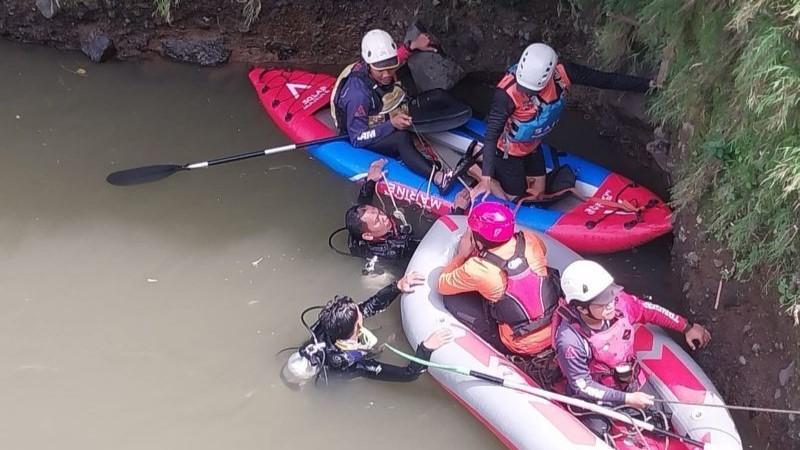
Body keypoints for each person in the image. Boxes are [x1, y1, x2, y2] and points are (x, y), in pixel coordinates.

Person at [471, 43, 656, 201]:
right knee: (516, 197)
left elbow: (605, 80)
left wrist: (646, 85)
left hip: (532, 146)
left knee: (538, 194)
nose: (524, 92)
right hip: (506, 152)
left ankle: (490, 168)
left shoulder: (563, 73)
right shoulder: (506, 95)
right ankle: (478, 169)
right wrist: (487, 177)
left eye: (530, 90)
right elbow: (491, 135)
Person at [553, 260, 712, 438]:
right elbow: (582, 385)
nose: (611, 304)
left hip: (629, 379)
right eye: (602, 303)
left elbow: (650, 310)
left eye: (611, 297)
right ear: (582, 308)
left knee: (662, 420)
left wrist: (687, 327)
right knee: (598, 434)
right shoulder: (570, 341)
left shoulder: (621, 305)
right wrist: (626, 399)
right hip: (597, 394)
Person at [437, 201, 561, 384]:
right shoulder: (529, 239)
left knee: (452, 300)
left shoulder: (476, 268)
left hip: (520, 343)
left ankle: (504, 354)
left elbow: (442, 285)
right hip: (557, 325)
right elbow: (544, 251)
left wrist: (462, 255)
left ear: (478, 241)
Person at [331, 29, 458, 191]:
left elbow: (393, 57)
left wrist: (413, 46)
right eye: (380, 70)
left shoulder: (381, 62)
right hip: (364, 131)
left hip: (387, 112)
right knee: (401, 138)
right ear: (368, 65)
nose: (386, 75)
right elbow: (357, 138)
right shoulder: (358, 94)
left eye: (390, 68)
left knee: (439, 96)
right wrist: (392, 125)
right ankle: (438, 178)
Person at [284, 271, 453, 383]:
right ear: (358, 324)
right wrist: (426, 348)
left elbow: (368, 307)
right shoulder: (352, 364)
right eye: (360, 314)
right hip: (334, 378)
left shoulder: (328, 324)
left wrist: (396, 287)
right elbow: (409, 375)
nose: (362, 311)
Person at [343, 158, 471, 263]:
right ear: (368, 235)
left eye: (378, 212)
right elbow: (437, 243)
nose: (383, 217)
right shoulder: (396, 248)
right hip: (407, 255)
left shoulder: (367, 219)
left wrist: (370, 181)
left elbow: (363, 203)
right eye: (377, 221)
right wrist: (458, 210)